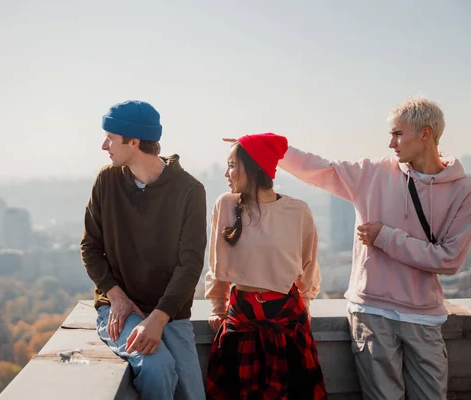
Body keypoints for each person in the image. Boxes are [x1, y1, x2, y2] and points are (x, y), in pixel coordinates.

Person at [276, 97, 471, 399]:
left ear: (426, 134)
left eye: (398, 134)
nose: (390, 143)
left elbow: (449, 260)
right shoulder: (372, 174)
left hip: (423, 316)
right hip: (371, 311)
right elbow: (320, 169)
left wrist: (386, 237)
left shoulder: (464, 192)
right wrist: (270, 148)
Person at [80, 100, 207, 400]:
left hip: (170, 313)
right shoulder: (106, 181)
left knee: (194, 395)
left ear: (134, 142)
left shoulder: (189, 191)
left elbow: (190, 264)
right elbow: (90, 247)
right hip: (120, 309)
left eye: (110, 137)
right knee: (156, 367)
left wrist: (159, 317)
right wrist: (116, 297)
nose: (104, 145)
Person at [205, 133, 327, 399]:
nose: (228, 173)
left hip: (287, 318)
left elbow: (308, 265)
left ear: (254, 168)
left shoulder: (298, 210)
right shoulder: (225, 204)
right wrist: (217, 306)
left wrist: (305, 305)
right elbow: (217, 263)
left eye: (233, 165)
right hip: (241, 316)